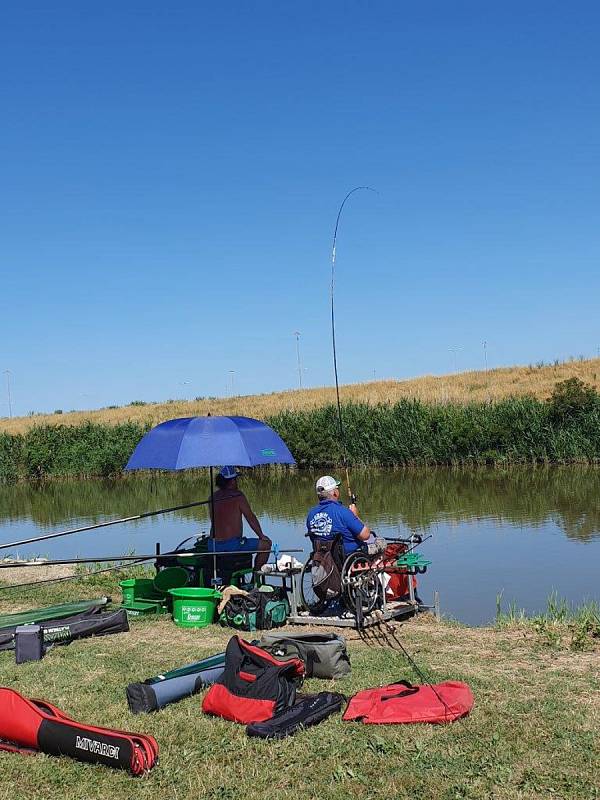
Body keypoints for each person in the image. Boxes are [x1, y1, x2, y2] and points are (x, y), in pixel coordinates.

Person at [208, 466, 272, 570]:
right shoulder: (238, 496)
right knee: (266, 546)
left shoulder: (212, 498)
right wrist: (261, 535)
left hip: (213, 545)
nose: (237, 482)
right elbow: (250, 517)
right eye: (236, 479)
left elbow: (213, 521)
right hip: (232, 545)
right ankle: (256, 578)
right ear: (232, 481)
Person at [306, 475, 371, 556]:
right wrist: (355, 515)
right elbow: (366, 535)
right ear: (334, 493)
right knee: (379, 543)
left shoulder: (311, 514)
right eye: (337, 488)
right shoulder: (343, 512)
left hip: (323, 558)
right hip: (348, 558)